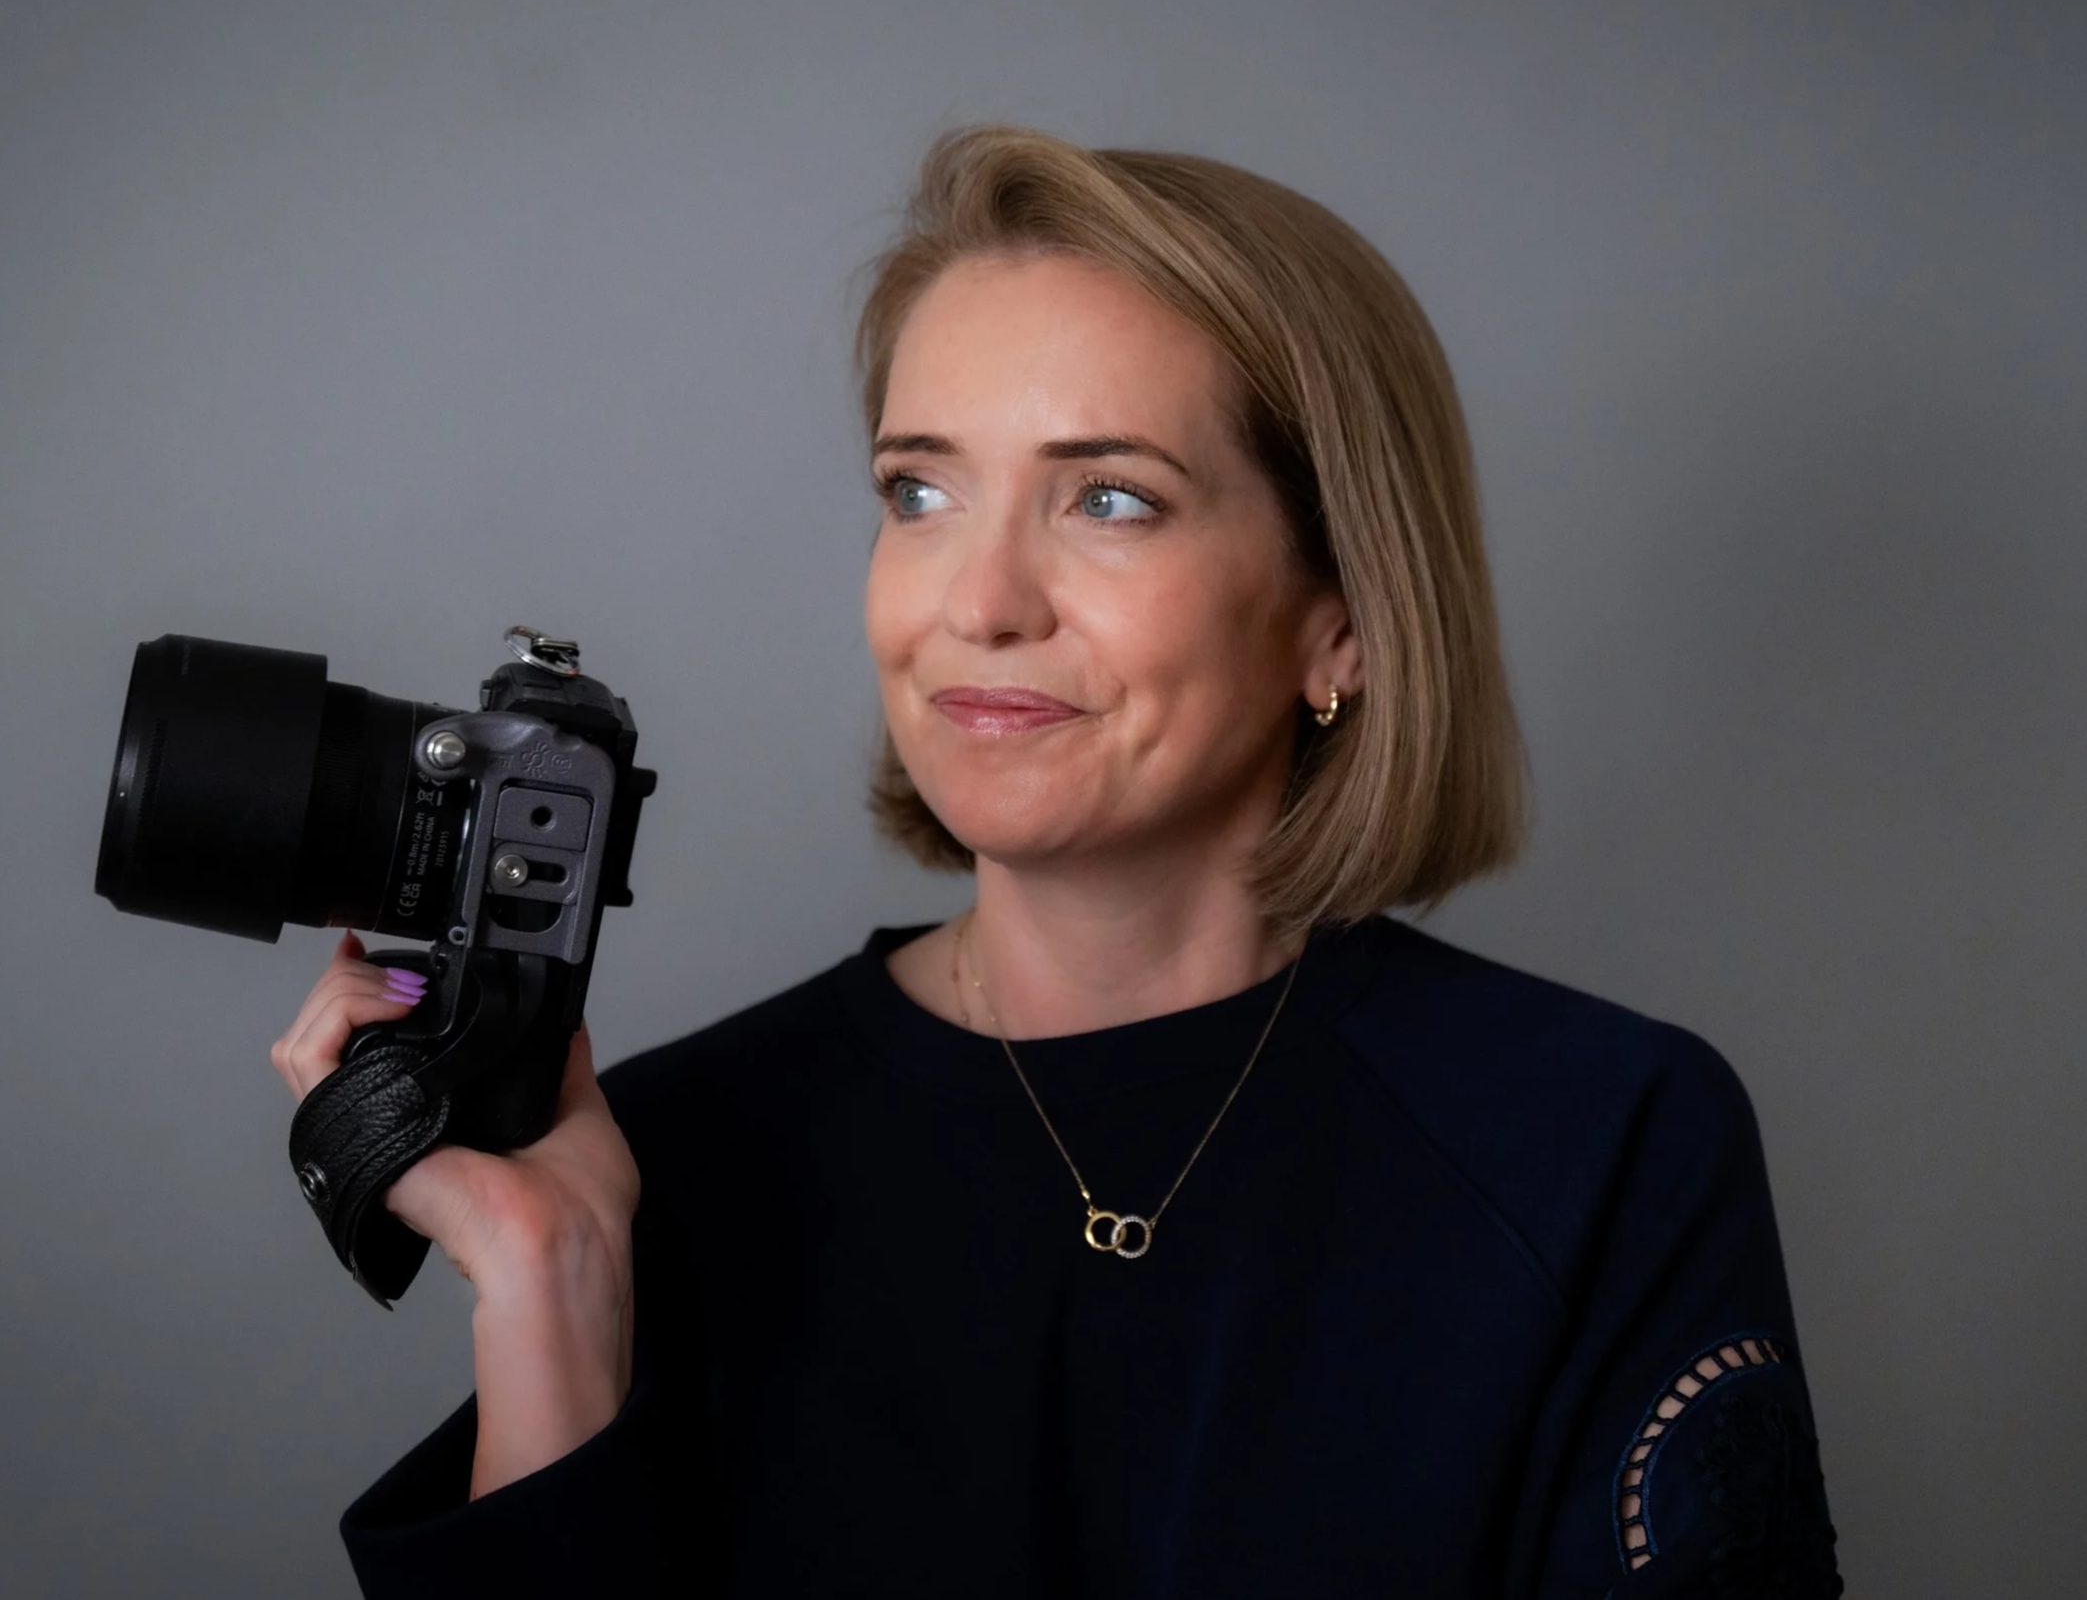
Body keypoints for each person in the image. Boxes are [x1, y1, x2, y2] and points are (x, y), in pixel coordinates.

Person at [271, 126, 1842, 1597]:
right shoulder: (651, 1161)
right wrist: (549, 1288)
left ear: (1340, 617)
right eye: (920, 491)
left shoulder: (1596, 1142)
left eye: (1107, 497)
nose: (980, 598)